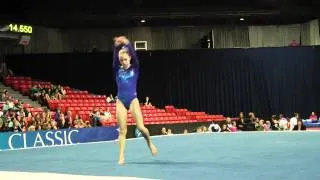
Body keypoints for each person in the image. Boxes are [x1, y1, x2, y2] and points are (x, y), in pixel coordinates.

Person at [113, 36, 158, 165]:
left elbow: (133, 53)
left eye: (125, 59)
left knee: (141, 127)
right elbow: (114, 57)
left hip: (133, 100)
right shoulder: (117, 70)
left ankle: (150, 144)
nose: (123, 62)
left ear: (130, 58)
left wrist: (126, 43)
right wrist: (116, 46)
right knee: (122, 131)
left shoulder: (135, 68)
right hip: (121, 101)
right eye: (121, 60)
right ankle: (121, 156)